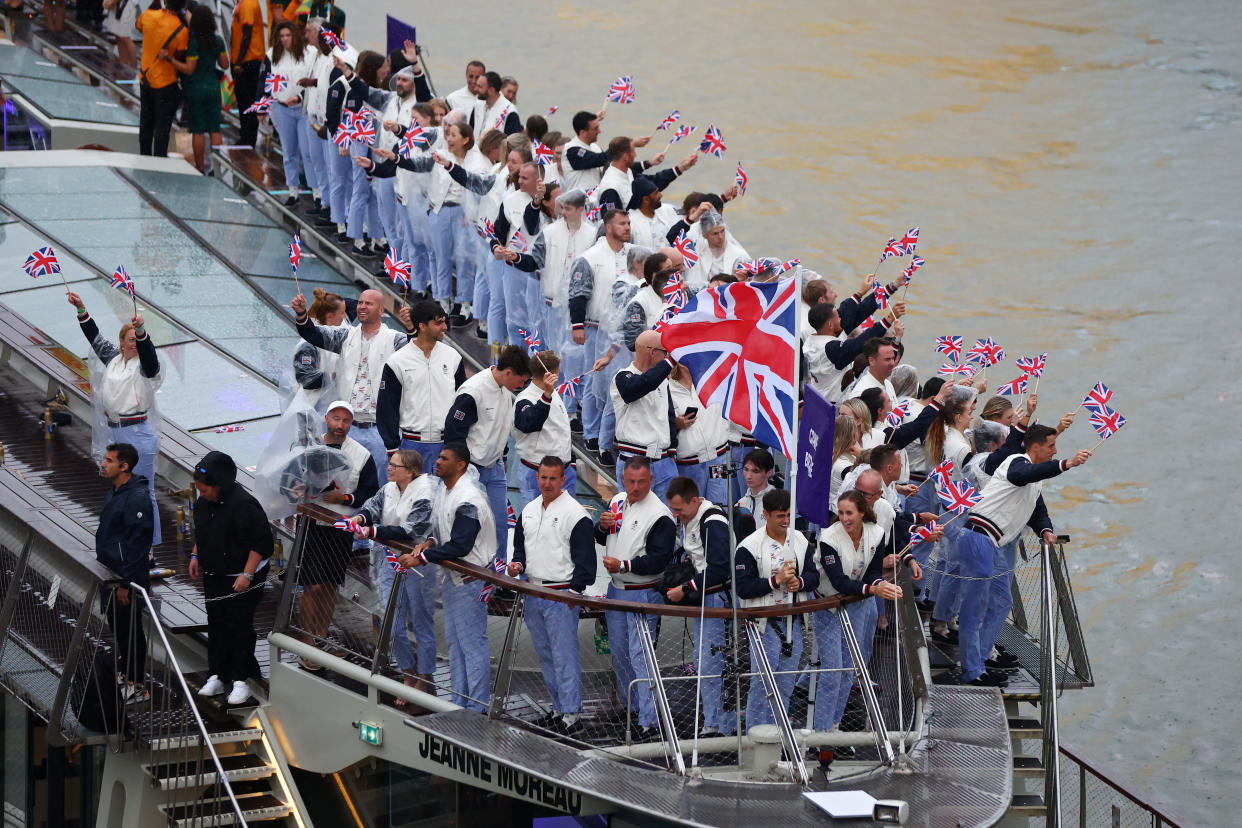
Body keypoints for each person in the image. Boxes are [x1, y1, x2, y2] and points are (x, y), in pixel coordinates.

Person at [957, 424, 1090, 686]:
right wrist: (1066, 464)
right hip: (978, 537)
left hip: (991, 543)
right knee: (976, 607)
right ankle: (971, 670)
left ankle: (982, 659)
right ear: (1035, 447)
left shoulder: (1034, 478)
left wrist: (1045, 530)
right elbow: (1023, 475)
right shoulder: (1016, 462)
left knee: (1002, 601)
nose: (1055, 450)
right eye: (1051, 446)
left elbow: (1037, 510)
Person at [399, 443, 497, 712]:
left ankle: (477, 709)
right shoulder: (445, 489)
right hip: (455, 579)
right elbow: (443, 529)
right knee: (456, 647)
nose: (438, 461)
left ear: (460, 465)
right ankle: (459, 705)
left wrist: (419, 558)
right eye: (439, 457)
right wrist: (429, 543)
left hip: (470, 580)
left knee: (472, 648)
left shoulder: (469, 497)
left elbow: (461, 545)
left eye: (444, 458)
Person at [812, 490, 916, 736]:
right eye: (840, 512)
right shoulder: (828, 538)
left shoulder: (877, 533)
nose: (844, 518)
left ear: (861, 513)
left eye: (849, 513)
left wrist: (876, 584)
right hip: (827, 605)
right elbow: (837, 580)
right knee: (832, 669)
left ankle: (834, 726)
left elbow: (872, 572)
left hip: (858, 603)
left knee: (849, 667)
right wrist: (873, 588)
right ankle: (821, 730)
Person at [508, 456, 595, 734]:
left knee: (564, 656)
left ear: (562, 479)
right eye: (543, 477)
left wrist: (573, 594)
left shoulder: (576, 513)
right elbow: (521, 549)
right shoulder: (530, 510)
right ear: (537, 478)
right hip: (533, 590)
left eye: (552, 478)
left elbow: (586, 564)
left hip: (560, 595)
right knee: (546, 656)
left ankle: (572, 715)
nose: (547, 483)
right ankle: (558, 708)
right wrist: (517, 564)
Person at [69, 292, 164, 546]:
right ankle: (126, 539)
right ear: (121, 343)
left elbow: (151, 358)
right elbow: (94, 337)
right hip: (117, 433)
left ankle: (149, 547)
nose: (135, 343)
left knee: (144, 492)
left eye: (138, 340)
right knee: (122, 490)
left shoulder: (144, 367)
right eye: (130, 339)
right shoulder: (114, 360)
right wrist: (81, 309)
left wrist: (142, 331)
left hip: (138, 432)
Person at [292, 288, 412, 484]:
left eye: (369, 303)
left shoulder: (395, 339)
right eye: (360, 303)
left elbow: (417, 349)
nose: (362, 306)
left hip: (378, 430)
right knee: (335, 484)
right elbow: (312, 333)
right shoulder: (344, 335)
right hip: (345, 427)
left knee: (377, 485)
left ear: (381, 310)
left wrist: (410, 327)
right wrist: (301, 314)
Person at [294, 401, 379, 670]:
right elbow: (289, 479)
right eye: (336, 419)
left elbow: (370, 492)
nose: (340, 425)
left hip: (341, 527)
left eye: (345, 421)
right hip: (312, 523)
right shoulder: (309, 447)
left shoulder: (361, 454)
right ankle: (307, 641)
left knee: (330, 584)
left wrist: (345, 497)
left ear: (351, 423)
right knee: (312, 585)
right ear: (327, 419)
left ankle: (321, 636)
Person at [346, 449, 437, 699]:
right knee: (392, 624)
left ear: (410, 471)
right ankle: (408, 672)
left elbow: (410, 530)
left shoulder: (425, 493)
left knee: (421, 624)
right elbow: (370, 508)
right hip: (387, 560)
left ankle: (425, 678)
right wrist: (361, 519)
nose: (389, 468)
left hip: (418, 565)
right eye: (390, 464)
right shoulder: (388, 488)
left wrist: (372, 531)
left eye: (395, 466)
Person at [597, 458, 676, 740]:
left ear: (651, 480)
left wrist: (625, 566)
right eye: (630, 481)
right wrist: (602, 526)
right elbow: (603, 536)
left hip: (644, 590)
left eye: (642, 482)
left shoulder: (660, 515)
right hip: (617, 589)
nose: (635, 487)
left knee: (642, 657)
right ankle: (632, 708)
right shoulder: (617, 501)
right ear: (622, 478)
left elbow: (659, 560)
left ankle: (649, 721)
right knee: (620, 653)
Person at [189, 451, 273, 706]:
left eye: (205, 490)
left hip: (242, 573)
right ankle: (217, 674)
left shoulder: (243, 504)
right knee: (216, 622)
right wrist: (195, 555)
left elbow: (261, 543)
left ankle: (241, 679)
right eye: (199, 490)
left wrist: (247, 574)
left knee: (239, 625)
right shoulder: (204, 503)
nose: (201, 495)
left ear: (219, 485)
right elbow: (203, 531)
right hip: (214, 572)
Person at [734, 489, 818, 730]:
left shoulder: (800, 540)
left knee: (786, 683)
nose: (786, 521)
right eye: (780, 516)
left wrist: (799, 582)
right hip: (763, 624)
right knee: (762, 684)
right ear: (766, 514)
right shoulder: (749, 546)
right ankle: (755, 738)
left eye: (789, 515)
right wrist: (775, 581)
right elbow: (743, 588)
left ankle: (778, 734)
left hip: (794, 621)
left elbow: (813, 575)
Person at [443, 345, 531, 552]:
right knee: (469, 524)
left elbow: (502, 427)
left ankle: (497, 575)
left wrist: (505, 456)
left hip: (495, 466)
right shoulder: (473, 392)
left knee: (499, 524)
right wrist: (460, 472)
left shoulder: (505, 391)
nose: (522, 384)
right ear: (508, 372)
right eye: (521, 379)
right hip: (471, 468)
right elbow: (453, 433)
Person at [665, 477, 734, 736]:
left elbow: (720, 568)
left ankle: (719, 725)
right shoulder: (694, 518)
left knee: (712, 662)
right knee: (704, 660)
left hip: (717, 600)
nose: (675, 514)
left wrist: (685, 588)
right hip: (707, 598)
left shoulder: (712, 522)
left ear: (694, 500)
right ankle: (715, 720)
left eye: (679, 509)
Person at [567, 208, 631, 452]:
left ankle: (612, 432)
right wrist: (577, 326)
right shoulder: (590, 257)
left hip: (625, 332)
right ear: (608, 226)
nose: (627, 227)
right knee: (596, 379)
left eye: (628, 223)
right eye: (622, 223)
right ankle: (591, 432)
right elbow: (578, 293)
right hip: (597, 328)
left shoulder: (633, 255)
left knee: (621, 380)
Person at [96, 443, 154, 700]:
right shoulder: (116, 491)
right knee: (119, 629)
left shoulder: (136, 498)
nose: (103, 464)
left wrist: (125, 583)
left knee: (131, 630)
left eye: (108, 460)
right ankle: (126, 674)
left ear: (124, 466)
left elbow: (138, 545)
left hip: (125, 579)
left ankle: (137, 683)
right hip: (110, 574)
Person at [376, 300, 465, 468]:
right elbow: (386, 408)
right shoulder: (397, 361)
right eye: (439, 323)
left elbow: (463, 404)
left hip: (446, 446)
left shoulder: (453, 357)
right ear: (422, 326)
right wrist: (392, 447)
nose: (445, 327)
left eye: (445, 321)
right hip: (411, 446)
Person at [610, 330, 678, 499]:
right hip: (634, 461)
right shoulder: (622, 377)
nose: (667, 357)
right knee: (635, 519)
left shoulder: (662, 380)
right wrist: (670, 362)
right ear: (652, 352)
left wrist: (672, 453)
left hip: (663, 461)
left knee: (668, 521)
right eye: (665, 353)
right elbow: (641, 385)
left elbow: (669, 416)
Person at [162, 5, 227, 174]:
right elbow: (225, 64)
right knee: (215, 128)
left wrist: (170, 60)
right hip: (214, 88)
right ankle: (217, 169)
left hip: (196, 89)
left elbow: (189, 69)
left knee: (198, 130)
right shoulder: (218, 40)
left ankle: (200, 168)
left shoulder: (194, 42)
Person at [803, 302, 904, 402]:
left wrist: (890, 287)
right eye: (838, 317)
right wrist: (890, 321)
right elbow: (860, 343)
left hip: (817, 398)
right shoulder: (831, 349)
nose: (841, 319)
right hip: (831, 407)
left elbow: (855, 317)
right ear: (871, 361)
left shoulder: (812, 340)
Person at [266, 21, 320, 204]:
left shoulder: (309, 54)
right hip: (282, 108)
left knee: (307, 152)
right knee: (289, 151)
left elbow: (315, 79)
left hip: (303, 109)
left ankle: (316, 192)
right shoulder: (272, 54)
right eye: (281, 36)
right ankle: (293, 191)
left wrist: (300, 96)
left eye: (288, 35)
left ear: (295, 36)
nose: (285, 39)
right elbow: (265, 80)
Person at [513, 351, 576, 505]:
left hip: (564, 471)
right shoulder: (525, 399)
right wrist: (546, 396)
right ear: (552, 374)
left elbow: (561, 432)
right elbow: (528, 424)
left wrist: (571, 463)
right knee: (536, 523)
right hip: (537, 472)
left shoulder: (553, 394)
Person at [136, 0, 189, 158]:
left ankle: (144, 157)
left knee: (145, 124)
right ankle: (159, 163)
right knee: (162, 129)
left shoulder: (148, 16)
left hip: (145, 80)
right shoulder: (181, 30)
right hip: (166, 84)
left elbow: (138, 26)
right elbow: (180, 56)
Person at [290, 288, 351, 411]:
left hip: (329, 410)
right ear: (330, 316)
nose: (345, 316)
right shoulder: (308, 345)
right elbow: (306, 378)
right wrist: (336, 375)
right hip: (310, 411)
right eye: (342, 312)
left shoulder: (334, 338)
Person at [230, 0, 266, 147]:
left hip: (248, 60)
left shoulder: (248, 4)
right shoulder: (241, 3)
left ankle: (249, 138)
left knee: (248, 99)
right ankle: (245, 135)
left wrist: (238, 61)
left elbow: (247, 33)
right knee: (242, 98)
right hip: (242, 59)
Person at [842, 336, 900, 401]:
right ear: (872, 361)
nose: (892, 363)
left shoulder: (888, 384)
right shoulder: (861, 393)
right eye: (887, 359)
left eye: (893, 358)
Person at [735, 448, 776, 538]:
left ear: (769, 472)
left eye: (755, 471)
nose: (748, 476)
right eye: (746, 469)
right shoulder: (740, 503)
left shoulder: (777, 503)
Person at [470, 70, 521, 135]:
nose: (475, 89)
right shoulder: (477, 106)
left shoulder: (510, 111)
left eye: (480, 87)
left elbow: (513, 142)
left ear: (491, 90)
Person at [103, 0, 139, 69]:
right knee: (118, 36)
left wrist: (111, 2)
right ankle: (123, 65)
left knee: (125, 38)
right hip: (118, 5)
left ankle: (134, 69)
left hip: (127, 5)